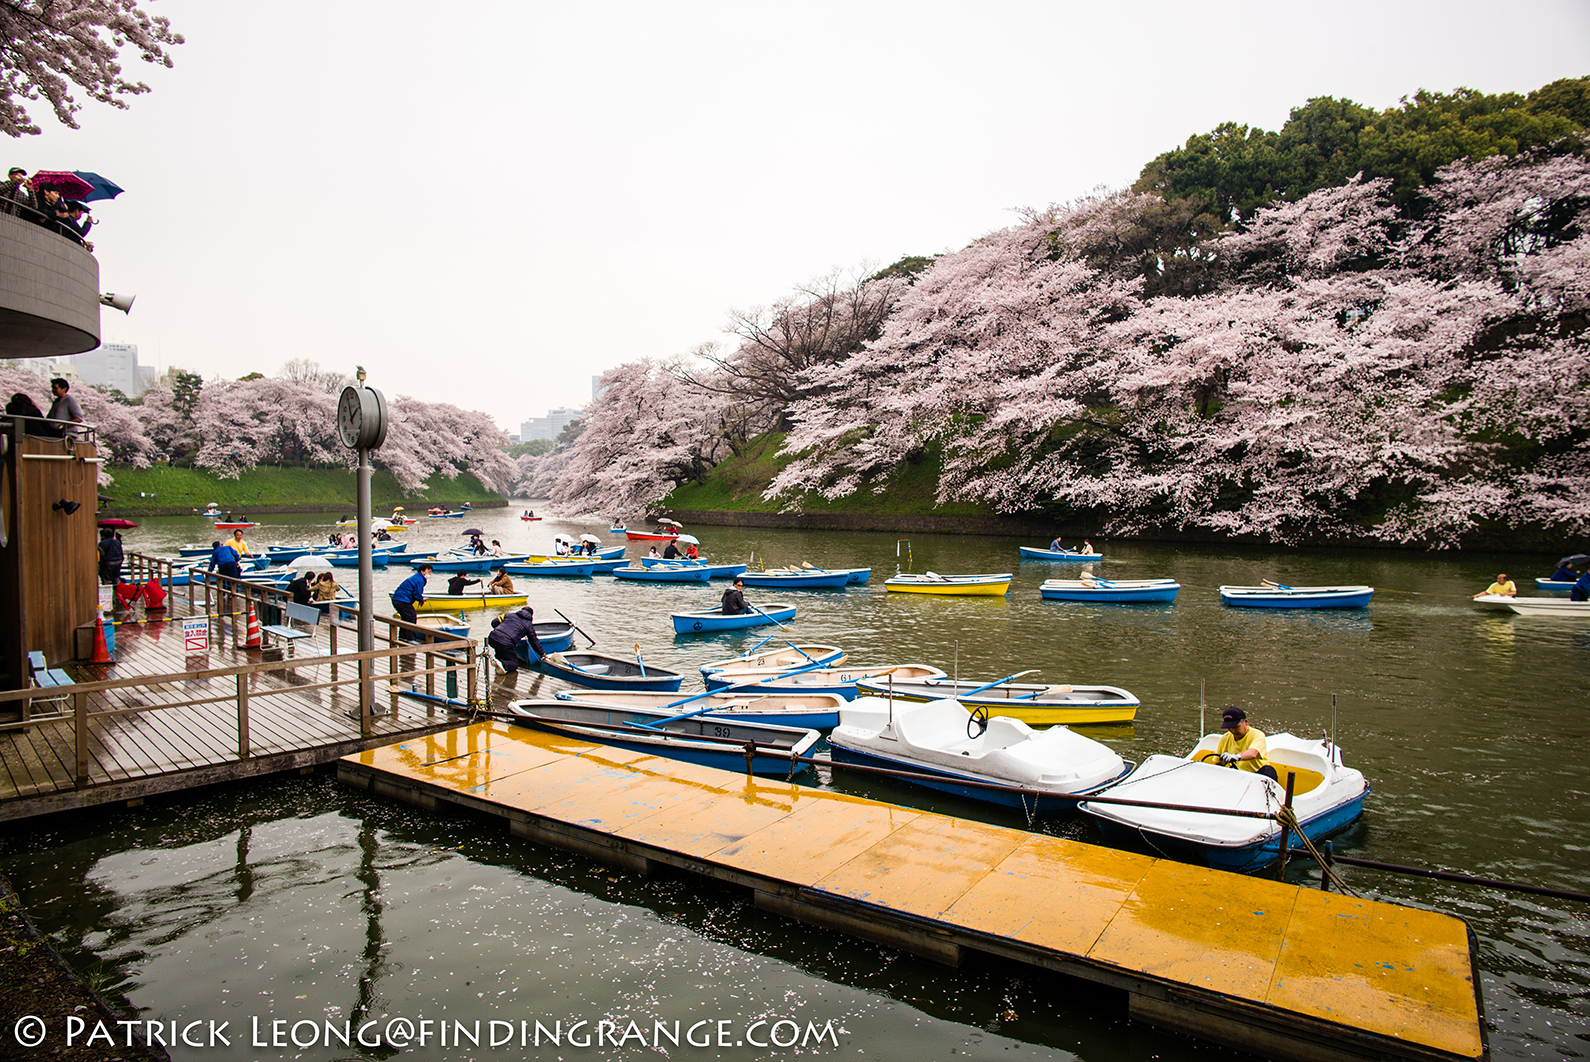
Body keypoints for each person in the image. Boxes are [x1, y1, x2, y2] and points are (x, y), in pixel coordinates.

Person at [1214, 707, 1278, 782]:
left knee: (1269, 770)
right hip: (1236, 777)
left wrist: (1236, 757)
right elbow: (1218, 765)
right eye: (1229, 728)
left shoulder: (1257, 735)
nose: (1233, 731)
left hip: (1256, 778)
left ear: (1246, 722)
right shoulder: (1225, 738)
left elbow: (1253, 753)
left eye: (1237, 727)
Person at [486, 606, 545, 673]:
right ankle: (501, 664)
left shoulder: (509, 615)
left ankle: (499, 665)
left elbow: (494, 622)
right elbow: (534, 641)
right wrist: (542, 654)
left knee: (502, 654)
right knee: (514, 664)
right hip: (505, 643)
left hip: (492, 638)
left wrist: (501, 630)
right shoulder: (528, 625)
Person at [391, 563, 431, 641]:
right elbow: (416, 593)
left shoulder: (417, 577)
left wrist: (420, 599)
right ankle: (410, 639)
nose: (430, 574)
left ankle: (402, 637)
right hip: (402, 600)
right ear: (424, 571)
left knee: (406, 618)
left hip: (398, 599)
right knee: (411, 617)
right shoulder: (419, 579)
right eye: (429, 571)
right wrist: (421, 599)